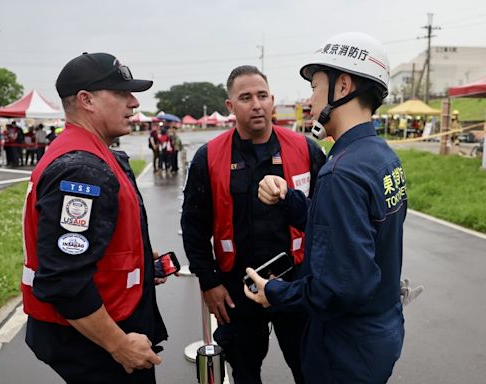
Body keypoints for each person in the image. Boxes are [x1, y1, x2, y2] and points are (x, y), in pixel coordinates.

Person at [245, 32, 407, 383]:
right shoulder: (381, 157)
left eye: (316, 87)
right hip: (380, 330)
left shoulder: (342, 172)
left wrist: (273, 292)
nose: (310, 98)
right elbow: (346, 234)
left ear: (343, 85)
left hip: (345, 347)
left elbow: (339, 288)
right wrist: (289, 199)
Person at [21, 52, 167, 384]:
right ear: (86, 100)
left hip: (98, 323)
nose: (133, 103)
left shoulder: (91, 154)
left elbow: (85, 243)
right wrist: (119, 346)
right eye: (121, 93)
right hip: (95, 342)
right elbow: (62, 279)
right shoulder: (82, 169)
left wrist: (139, 259)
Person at [181, 65, 326, 384]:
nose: (256, 104)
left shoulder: (306, 149)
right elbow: (193, 226)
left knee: (310, 368)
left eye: (262, 96)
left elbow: (327, 218)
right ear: (230, 106)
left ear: (273, 100)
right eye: (246, 97)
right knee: (245, 371)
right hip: (237, 286)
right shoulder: (208, 158)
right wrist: (209, 282)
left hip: (296, 281)